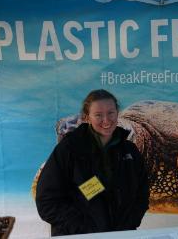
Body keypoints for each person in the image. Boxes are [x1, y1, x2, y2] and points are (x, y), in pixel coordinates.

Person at [36, 89, 149, 236]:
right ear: (87, 117)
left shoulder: (130, 151)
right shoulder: (69, 149)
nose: (106, 120)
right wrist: (84, 230)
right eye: (98, 115)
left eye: (111, 113)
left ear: (117, 113)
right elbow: (47, 201)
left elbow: (142, 194)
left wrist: (129, 224)